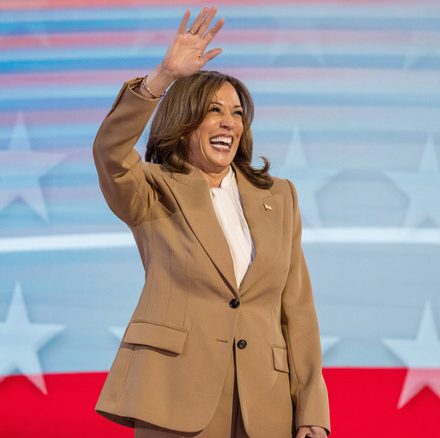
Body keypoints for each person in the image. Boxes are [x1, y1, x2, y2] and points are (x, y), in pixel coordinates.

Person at [92, 7, 330, 438]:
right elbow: (109, 153)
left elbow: (297, 310)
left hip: (265, 408)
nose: (228, 123)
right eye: (213, 110)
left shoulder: (279, 196)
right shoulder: (152, 188)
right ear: (183, 122)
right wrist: (161, 78)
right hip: (174, 398)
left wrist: (312, 411)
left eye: (237, 113)